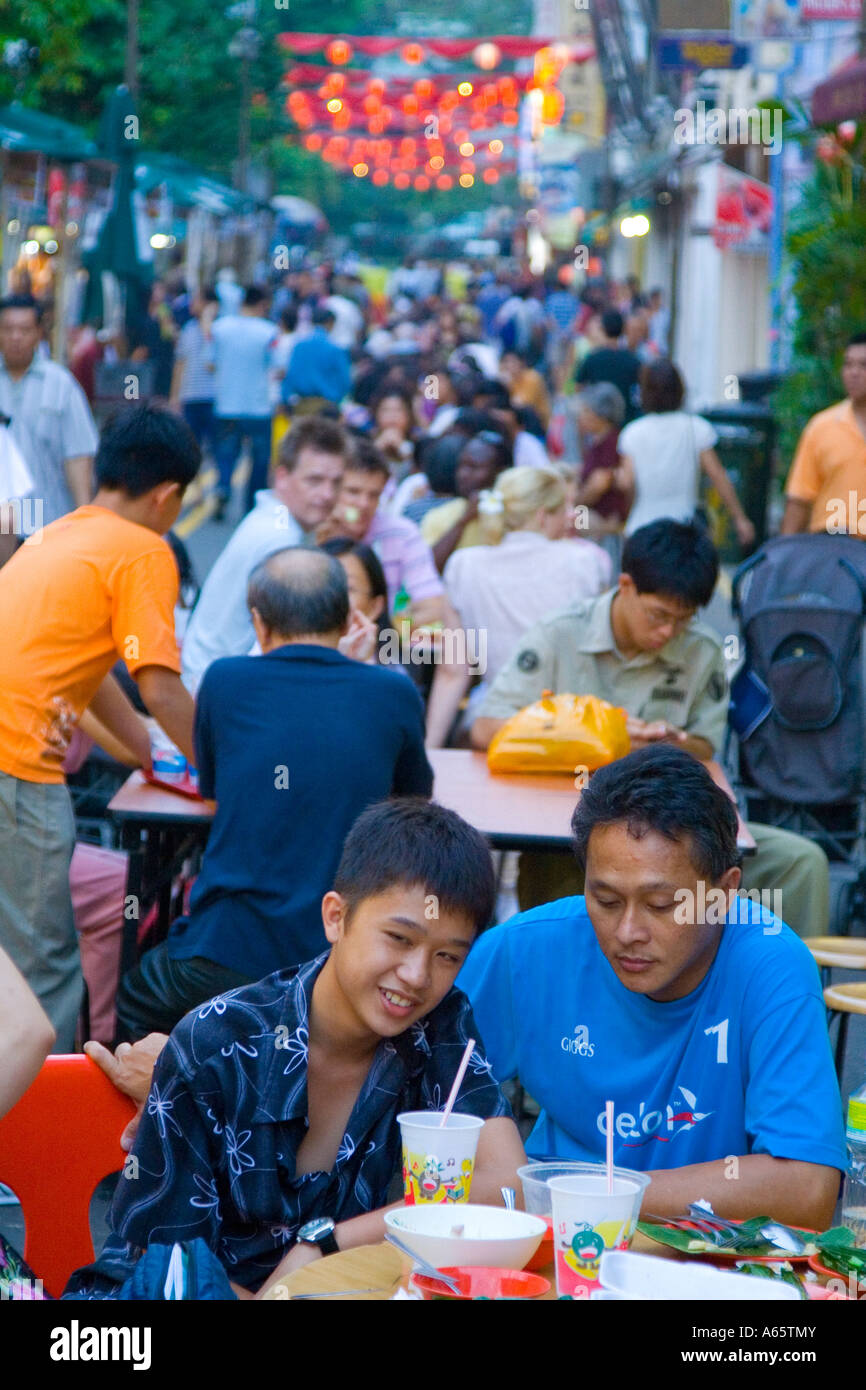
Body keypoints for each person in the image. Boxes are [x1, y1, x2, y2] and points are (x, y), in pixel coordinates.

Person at [66, 799, 527, 1300]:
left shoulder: (438, 1025)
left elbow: (509, 1190)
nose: (417, 975)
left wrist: (326, 1242)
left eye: (446, 956)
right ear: (336, 917)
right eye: (398, 938)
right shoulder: (220, 1046)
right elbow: (172, 1275)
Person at [458, 746, 843, 1229]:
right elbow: (423, 1099)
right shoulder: (525, 950)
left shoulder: (772, 966)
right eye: (605, 899)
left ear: (723, 895)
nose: (627, 932)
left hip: (700, 1262)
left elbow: (808, 1187)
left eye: (661, 905)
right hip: (552, 1249)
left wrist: (584, 1196)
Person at [117, 549, 433, 1039]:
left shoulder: (225, 680)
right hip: (338, 957)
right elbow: (415, 802)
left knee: (140, 991)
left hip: (226, 952)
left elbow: (216, 788)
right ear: (347, 616)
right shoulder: (392, 692)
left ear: (259, 625)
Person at [470, 519, 830, 937]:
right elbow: (485, 729)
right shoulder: (560, 634)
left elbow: (706, 749)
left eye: (683, 619)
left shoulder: (701, 650)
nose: (668, 632)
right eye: (658, 614)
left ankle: (782, 994)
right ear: (625, 585)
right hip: (571, 829)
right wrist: (596, 739)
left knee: (802, 862)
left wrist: (672, 745)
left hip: (673, 831)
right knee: (565, 876)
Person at [0, 405, 200, 1050]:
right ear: (167, 496)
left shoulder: (59, 535)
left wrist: (150, 755)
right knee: (43, 971)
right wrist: (216, 766)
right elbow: (160, 685)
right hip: (18, 775)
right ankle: (38, 1131)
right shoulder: (145, 550)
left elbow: (90, 685)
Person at [180, 414, 352, 691]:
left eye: (336, 482)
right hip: (217, 690)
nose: (327, 494)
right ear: (282, 476)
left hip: (207, 678)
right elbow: (279, 649)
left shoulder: (272, 519)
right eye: (314, 480)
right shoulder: (281, 539)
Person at [444, 465, 612, 688]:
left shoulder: (462, 565)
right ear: (542, 515)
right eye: (566, 506)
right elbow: (605, 654)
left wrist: (432, 725)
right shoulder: (587, 561)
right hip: (570, 713)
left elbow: (453, 670)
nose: (573, 514)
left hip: (500, 712)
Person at [616, 359, 755, 548]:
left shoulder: (632, 433)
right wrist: (740, 519)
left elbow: (627, 483)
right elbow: (717, 476)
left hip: (641, 528)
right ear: (680, 390)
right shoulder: (696, 428)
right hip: (683, 530)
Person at [315, 437, 444, 626]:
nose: (364, 504)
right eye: (353, 492)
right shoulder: (311, 532)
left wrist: (386, 630)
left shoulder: (402, 534)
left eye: (374, 495)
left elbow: (434, 605)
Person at [0, 293, 98, 526]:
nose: (16, 337)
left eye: (24, 330)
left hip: (45, 520)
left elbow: (78, 455)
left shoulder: (61, 385)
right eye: (8, 329)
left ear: (38, 333)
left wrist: (84, 518)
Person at [781, 330, 866, 537]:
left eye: (864, 365)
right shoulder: (822, 427)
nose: (854, 372)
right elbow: (799, 500)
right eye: (848, 364)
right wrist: (784, 556)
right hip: (832, 548)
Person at [208, 284, 276, 519]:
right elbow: (276, 367)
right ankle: (252, 505)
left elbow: (210, 364)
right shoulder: (268, 331)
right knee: (259, 459)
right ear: (262, 304)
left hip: (227, 403)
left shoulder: (220, 328)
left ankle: (222, 487)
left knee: (226, 453)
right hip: (258, 406)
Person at [421, 429, 513, 571]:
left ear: (500, 472)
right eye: (462, 465)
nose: (462, 474)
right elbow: (427, 569)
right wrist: (464, 520)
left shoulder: (517, 514)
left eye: (474, 467)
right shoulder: (438, 516)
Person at [574, 382, 631, 539]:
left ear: (601, 415)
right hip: (591, 510)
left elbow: (599, 483)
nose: (581, 416)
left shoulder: (611, 442)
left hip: (604, 517)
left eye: (586, 411)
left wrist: (575, 501)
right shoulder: (597, 441)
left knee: (568, 524)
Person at [169, 286, 219, 456]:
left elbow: (213, 363)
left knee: (216, 447)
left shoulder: (220, 329)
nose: (192, 303)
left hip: (214, 397)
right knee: (191, 446)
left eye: (197, 299)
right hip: (190, 396)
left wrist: (207, 323)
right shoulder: (188, 329)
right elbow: (180, 363)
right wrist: (175, 396)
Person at [575, 308, 642, 424]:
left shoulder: (592, 358)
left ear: (603, 329)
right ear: (624, 330)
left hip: (599, 421)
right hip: (626, 420)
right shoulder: (633, 360)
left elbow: (578, 387)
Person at [282, 305, 351, 413]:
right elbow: (345, 381)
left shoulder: (299, 346)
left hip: (302, 404)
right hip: (327, 406)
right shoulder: (335, 349)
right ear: (330, 322)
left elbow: (290, 375)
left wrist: (286, 399)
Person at [498, 350, 551, 430]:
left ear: (521, 362)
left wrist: (506, 386)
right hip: (521, 424)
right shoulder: (509, 380)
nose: (509, 366)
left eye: (513, 362)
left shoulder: (532, 378)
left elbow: (522, 405)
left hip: (538, 424)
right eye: (506, 362)